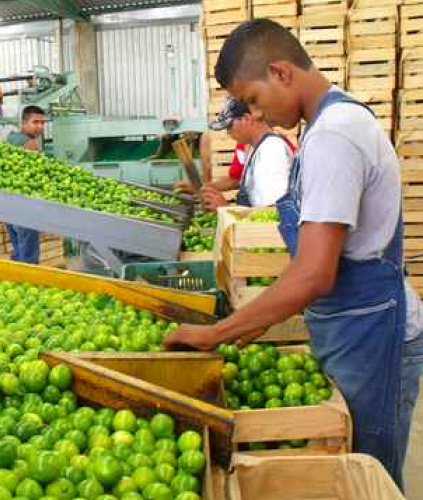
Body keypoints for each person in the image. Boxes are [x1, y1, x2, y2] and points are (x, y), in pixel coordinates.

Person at [163, 19, 423, 490]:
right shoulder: (330, 124)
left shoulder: (334, 136)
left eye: (255, 100)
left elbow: (314, 275)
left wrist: (218, 333)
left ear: (281, 72)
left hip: (373, 333)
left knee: (372, 478)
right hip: (352, 326)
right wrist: (258, 319)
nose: (259, 114)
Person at [201, 98, 294, 211]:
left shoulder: (271, 150)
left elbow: (275, 212)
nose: (228, 133)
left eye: (230, 126)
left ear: (246, 119)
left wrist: (226, 209)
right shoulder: (255, 148)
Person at [4, 105, 47, 264]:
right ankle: (29, 281)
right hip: (25, 204)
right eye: (35, 122)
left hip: (8, 203)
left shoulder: (11, 138)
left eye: (43, 123)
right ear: (23, 123)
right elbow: (37, 176)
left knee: (19, 250)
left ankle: (18, 281)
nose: (40, 127)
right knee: (29, 255)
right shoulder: (30, 144)